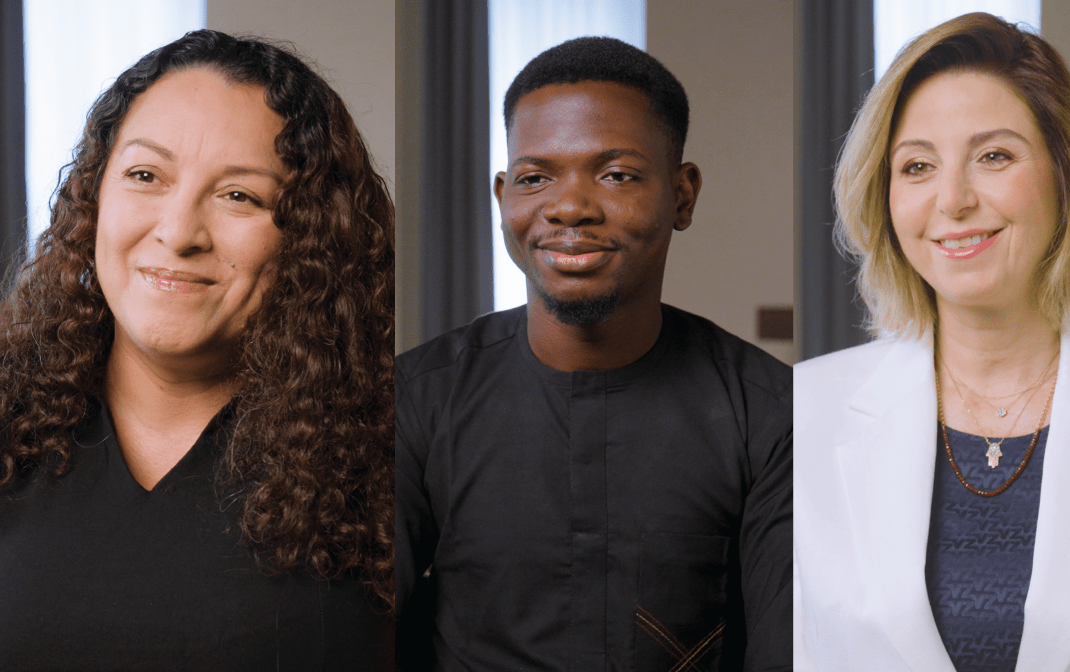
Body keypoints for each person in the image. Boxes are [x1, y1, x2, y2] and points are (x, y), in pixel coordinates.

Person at [793, 12, 1070, 672]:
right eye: (916, 166)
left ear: (1066, 174)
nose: (952, 200)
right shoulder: (801, 410)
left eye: (993, 156)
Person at [0, 31, 395, 670]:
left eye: (239, 195)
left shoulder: (394, 461)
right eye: (145, 175)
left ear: (312, 240)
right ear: (94, 197)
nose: (179, 233)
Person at [396, 37, 793, 670]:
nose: (571, 207)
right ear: (502, 198)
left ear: (682, 195)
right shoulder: (415, 400)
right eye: (534, 178)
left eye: (617, 175)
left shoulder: (770, 414)